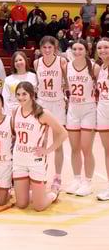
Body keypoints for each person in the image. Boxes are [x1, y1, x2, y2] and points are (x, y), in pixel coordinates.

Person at [12, 82, 67, 211]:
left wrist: (48, 150)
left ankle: (53, 193)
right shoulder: (16, 111)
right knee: (21, 204)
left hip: (36, 161)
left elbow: (63, 134)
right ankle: (35, 194)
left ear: (32, 94)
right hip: (19, 159)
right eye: (18, 94)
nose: (21, 97)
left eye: (24, 94)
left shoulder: (42, 113)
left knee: (39, 206)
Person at [65, 39, 100, 197]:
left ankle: (88, 182)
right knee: (74, 148)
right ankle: (77, 179)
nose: (77, 52)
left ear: (86, 50)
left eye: (80, 49)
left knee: (86, 148)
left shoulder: (94, 67)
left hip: (88, 109)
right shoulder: (67, 66)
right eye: (75, 49)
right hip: (73, 109)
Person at [34, 36, 68, 192]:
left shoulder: (61, 62)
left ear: (55, 48)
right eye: (44, 47)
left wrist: (65, 94)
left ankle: (58, 177)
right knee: (41, 142)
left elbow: (67, 80)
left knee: (58, 142)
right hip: (42, 104)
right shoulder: (37, 63)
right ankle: (40, 175)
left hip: (58, 104)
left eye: (50, 47)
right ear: (41, 48)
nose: (47, 50)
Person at [95, 38, 109, 200]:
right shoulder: (100, 69)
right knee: (107, 151)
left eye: (106, 47)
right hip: (103, 110)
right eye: (100, 48)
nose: (103, 50)